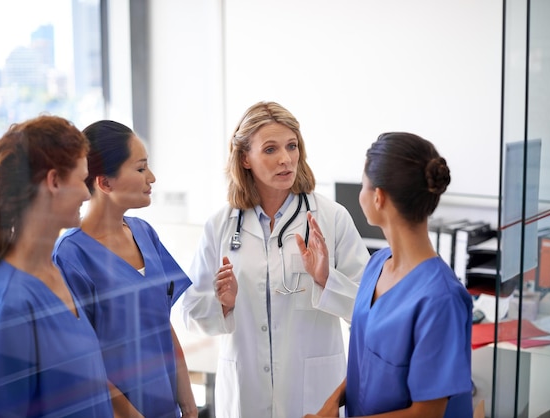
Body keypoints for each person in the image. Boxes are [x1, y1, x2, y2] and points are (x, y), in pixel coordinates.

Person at [181, 101, 370, 418]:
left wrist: (326, 280)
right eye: (270, 149)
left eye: (292, 146)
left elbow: (369, 311)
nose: (286, 159)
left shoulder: (331, 218)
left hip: (315, 394)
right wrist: (223, 304)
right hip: (245, 394)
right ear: (245, 158)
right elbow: (189, 313)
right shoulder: (221, 225)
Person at [306, 132, 473, 418]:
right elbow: (367, 363)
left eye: (363, 185)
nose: (360, 194)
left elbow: (427, 413)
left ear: (378, 197)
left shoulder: (440, 299)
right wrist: (333, 401)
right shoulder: (377, 265)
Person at [0, 115, 114, 417]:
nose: (87, 193)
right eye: (81, 180)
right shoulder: (10, 300)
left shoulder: (55, 273)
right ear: (54, 181)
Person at [52, 120, 197, 418]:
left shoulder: (145, 233)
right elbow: (82, 361)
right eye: (141, 169)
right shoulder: (71, 256)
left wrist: (189, 407)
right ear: (105, 182)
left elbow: (163, 325)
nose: (152, 178)